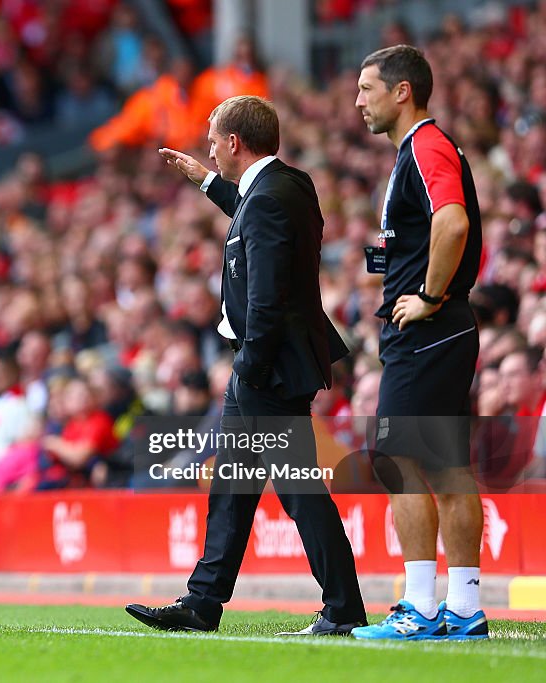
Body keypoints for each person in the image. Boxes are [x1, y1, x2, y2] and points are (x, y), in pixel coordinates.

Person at [126, 96, 367, 635]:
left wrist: (251, 368)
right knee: (233, 486)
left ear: (234, 142)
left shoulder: (267, 200)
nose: (208, 148)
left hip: (267, 368)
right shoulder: (286, 186)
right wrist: (205, 181)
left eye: (213, 140)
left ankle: (344, 608)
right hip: (269, 364)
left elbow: (268, 295)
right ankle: (203, 601)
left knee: (298, 489)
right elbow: (254, 216)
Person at [351, 45, 488, 641]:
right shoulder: (420, 150)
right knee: (445, 466)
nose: (358, 101)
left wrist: (428, 295)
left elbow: (452, 221)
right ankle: (464, 607)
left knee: (397, 460)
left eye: (367, 88)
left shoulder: (427, 145)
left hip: (429, 330)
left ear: (402, 91)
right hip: (441, 330)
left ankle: (422, 607)